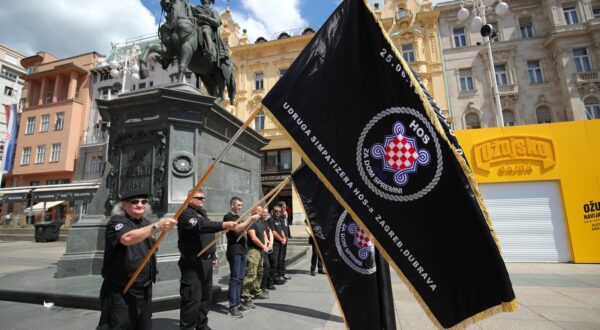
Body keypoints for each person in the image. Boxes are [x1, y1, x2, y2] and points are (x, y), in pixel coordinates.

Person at [97, 188, 177, 330]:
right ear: (124, 205)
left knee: (144, 326)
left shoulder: (146, 223)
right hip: (122, 290)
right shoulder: (117, 222)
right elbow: (127, 238)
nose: (140, 205)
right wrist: (157, 226)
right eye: (134, 202)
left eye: (144, 201)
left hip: (144, 289)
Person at [177, 189, 238, 330]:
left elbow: (208, 236)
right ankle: (187, 327)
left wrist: (213, 254)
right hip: (192, 263)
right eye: (199, 198)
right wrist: (223, 225)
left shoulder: (202, 213)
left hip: (206, 261)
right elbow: (201, 226)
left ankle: (201, 325)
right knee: (191, 299)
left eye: (204, 198)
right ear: (190, 199)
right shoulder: (185, 214)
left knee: (205, 297)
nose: (202, 200)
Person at [223, 196, 256, 318]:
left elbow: (243, 231)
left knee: (241, 278)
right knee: (235, 278)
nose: (240, 207)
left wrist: (247, 225)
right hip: (234, 250)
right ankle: (233, 306)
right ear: (232, 205)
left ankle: (238, 302)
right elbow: (237, 229)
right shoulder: (228, 217)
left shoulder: (239, 218)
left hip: (242, 250)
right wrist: (249, 220)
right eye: (238, 205)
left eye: (241, 205)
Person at [241, 206, 270, 309]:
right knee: (251, 274)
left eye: (261, 211)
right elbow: (253, 238)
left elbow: (263, 234)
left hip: (261, 251)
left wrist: (266, 244)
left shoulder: (260, 222)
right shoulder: (251, 222)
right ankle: (246, 297)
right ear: (253, 211)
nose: (261, 213)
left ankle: (257, 291)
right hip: (253, 251)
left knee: (260, 272)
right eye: (258, 211)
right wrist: (263, 246)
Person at [267, 205, 287, 289]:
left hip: (280, 244)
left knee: (279, 262)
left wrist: (284, 238)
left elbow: (281, 230)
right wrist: (281, 240)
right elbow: (274, 232)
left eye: (279, 212)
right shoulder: (270, 219)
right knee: (273, 263)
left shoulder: (278, 220)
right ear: (273, 211)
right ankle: (270, 282)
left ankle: (276, 278)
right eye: (276, 212)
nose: (278, 213)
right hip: (274, 244)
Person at [276, 201, 292, 280]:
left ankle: (283, 273)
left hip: (285, 238)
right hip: (281, 239)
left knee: (283, 257)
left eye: (285, 207)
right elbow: (279, 229)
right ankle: (279, 274)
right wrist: (282, 238)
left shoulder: (284, 216)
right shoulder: (278, 217)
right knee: (280, 257)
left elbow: (286, 226)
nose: (285, 209)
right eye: (283, 207)